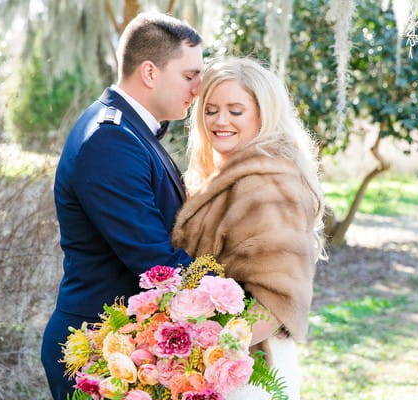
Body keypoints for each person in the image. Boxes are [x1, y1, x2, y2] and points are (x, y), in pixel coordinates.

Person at [41, 12, 203, 399]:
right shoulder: (110, 140)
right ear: (150, 72)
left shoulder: (131, 132)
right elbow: (155, 265)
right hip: (95, 352)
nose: (199, 88)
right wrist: (247, 295)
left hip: (125, 347)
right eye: (189, 75)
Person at [172, 57, 325, 400]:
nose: (219, 121)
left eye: (235, 110)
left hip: (248, 372)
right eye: (210, 110)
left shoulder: (268, 185)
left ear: (263, 113)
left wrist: (206, 351)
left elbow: (275, 301)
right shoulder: (227, 176)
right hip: (222, 369)